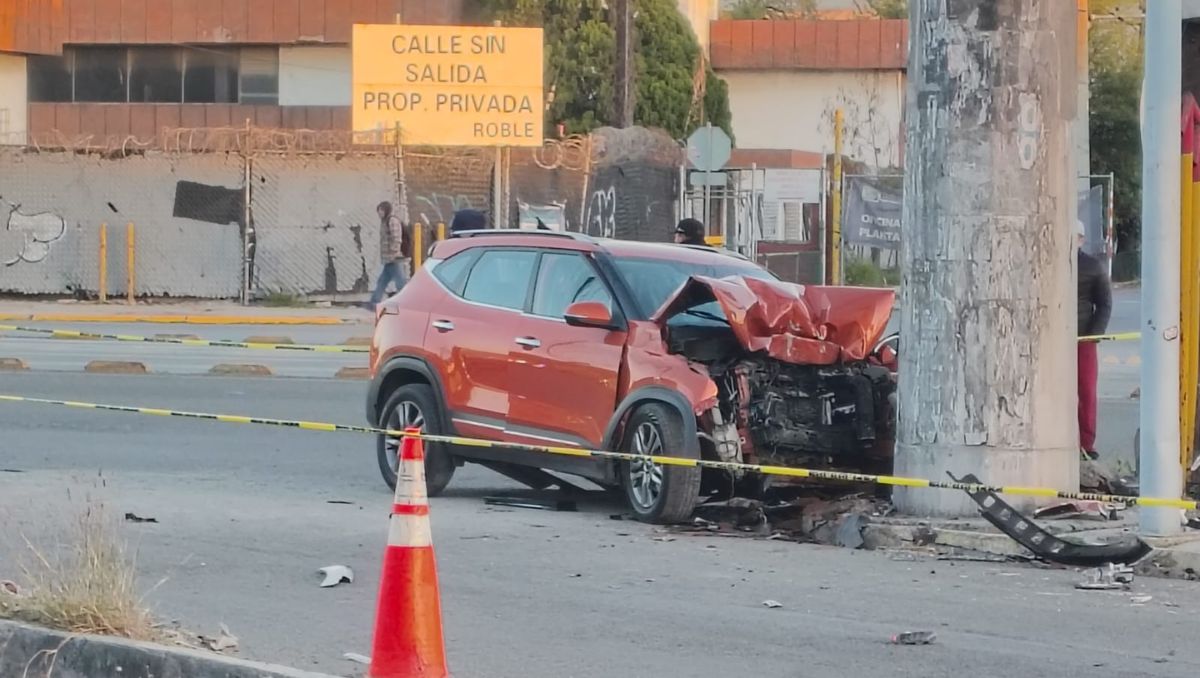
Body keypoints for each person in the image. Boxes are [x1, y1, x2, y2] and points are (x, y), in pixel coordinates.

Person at [1077, 218, 1112, 459]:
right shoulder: (1050, 261)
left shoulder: (1093, 266)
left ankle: (1086, 445)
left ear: (1081, 240)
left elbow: (1105, 304)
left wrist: (1092, 336)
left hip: (1083, 339)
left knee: (1087, 391)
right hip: (1052, 340)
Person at [368, 201, 409, 309]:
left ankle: (407, 303)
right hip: (389, 259)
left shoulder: (392, 221)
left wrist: (393, 252)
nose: (379, 213)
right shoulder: (385, 221)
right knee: (383, 281)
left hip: (394, 258)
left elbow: (397, 238)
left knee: (400, 283)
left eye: (380, 211)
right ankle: (374, 302)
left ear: (385, 210)